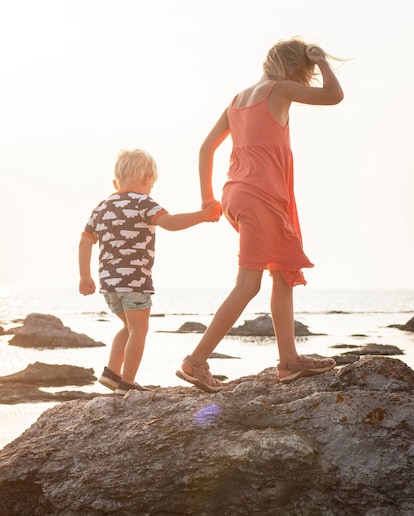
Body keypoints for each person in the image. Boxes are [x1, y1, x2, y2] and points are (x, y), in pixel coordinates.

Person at [176, 38, 345, 392]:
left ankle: (289, 363)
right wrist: (323, 61)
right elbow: (334, 95)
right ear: (296, 68)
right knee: (247, 285)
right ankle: (195, 362)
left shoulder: (238, 100)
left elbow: (206, 147)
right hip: (261, 199)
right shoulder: (280, 90)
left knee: (282, 273)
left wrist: (208, 198)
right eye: (307, 70)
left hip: (236, 194)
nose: (307, 78)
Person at [80, 148, 220, 395]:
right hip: (134, 282)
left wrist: (85, 275)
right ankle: (128, 382)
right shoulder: (144, 202)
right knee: (138, 331)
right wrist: (203, 215)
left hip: (109, 285)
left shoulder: (101, 207)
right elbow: (172, 223)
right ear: (147, 178)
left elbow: (85, 241)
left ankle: (112, 373)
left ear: (116, 181)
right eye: (152, 184)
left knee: (127, 327)